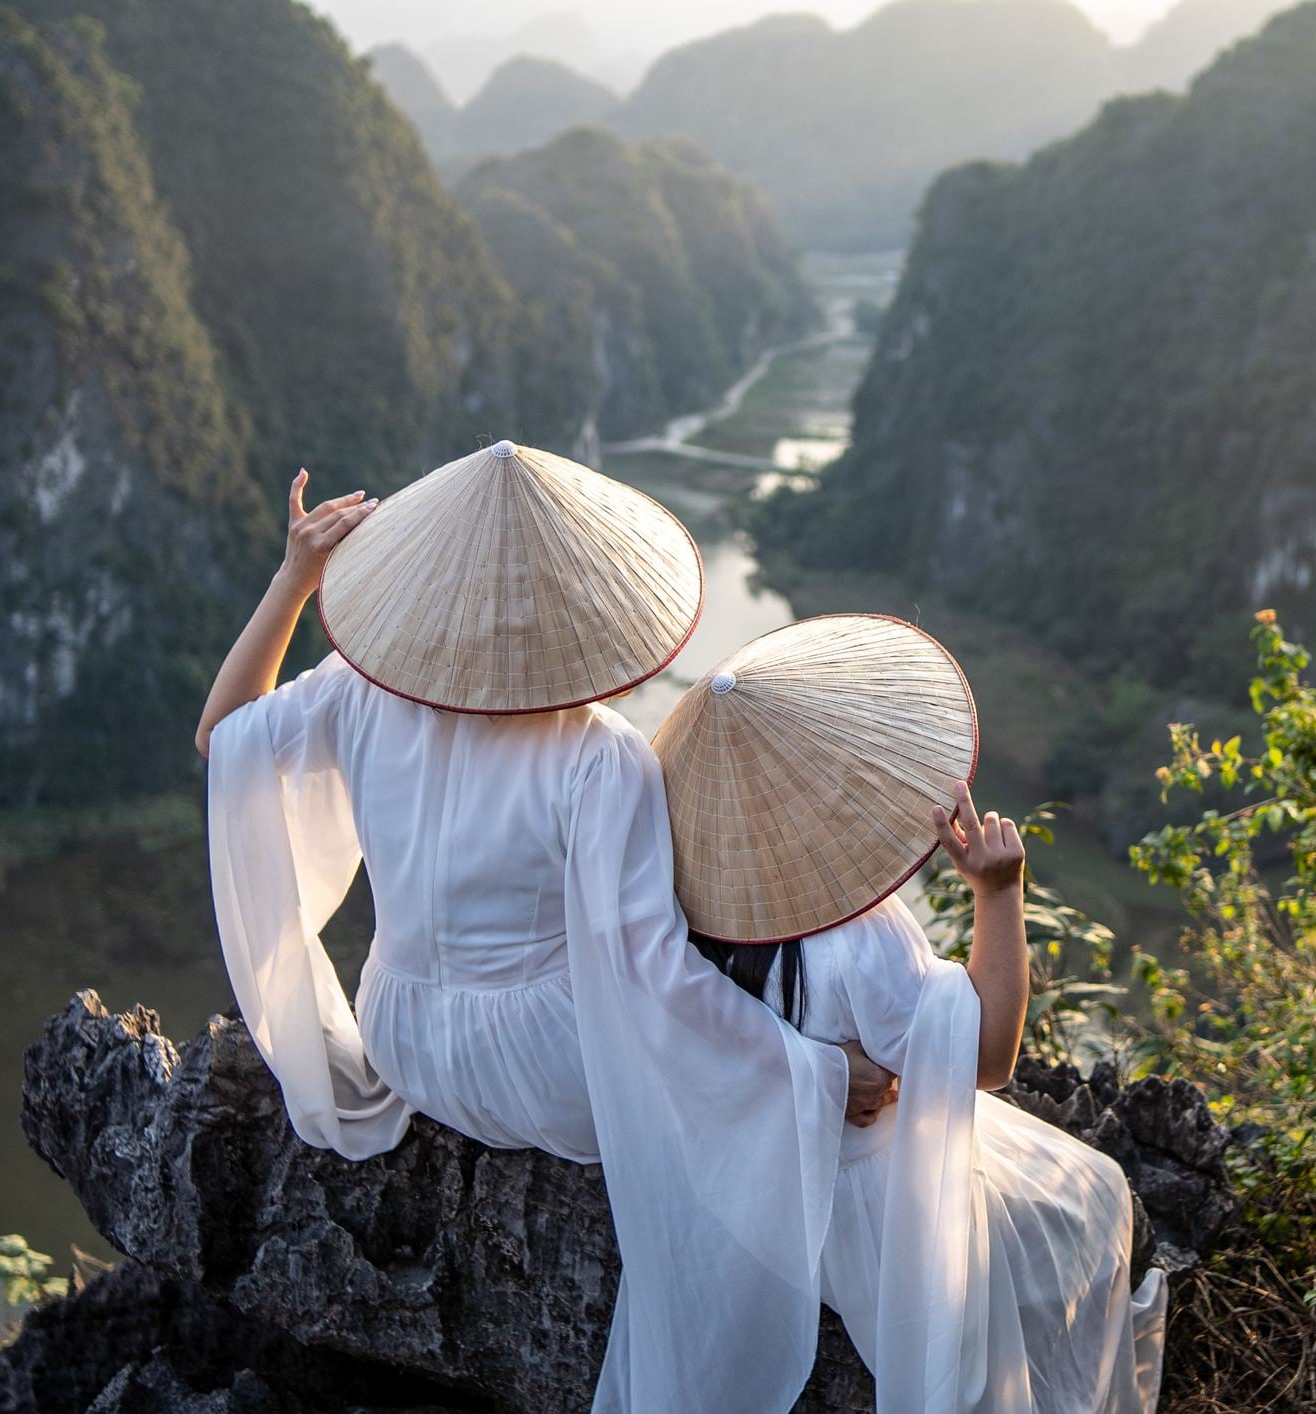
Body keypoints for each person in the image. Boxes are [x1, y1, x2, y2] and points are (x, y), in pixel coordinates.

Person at [194, 443, 896, 1414]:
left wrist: (294, 574)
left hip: (402, 1037)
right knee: (764, 957)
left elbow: (222, 736)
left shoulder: (357, 688)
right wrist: (811, 1072)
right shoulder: (599, 757)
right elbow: (649, 978)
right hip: (556, 1078)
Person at [651, 614, 1168, 1414]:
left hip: (754, 1191)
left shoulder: (673, 905)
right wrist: (998, 894)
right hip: (872, 1210)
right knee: (1092, 1199)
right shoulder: (857, 933)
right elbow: (987, 1061)